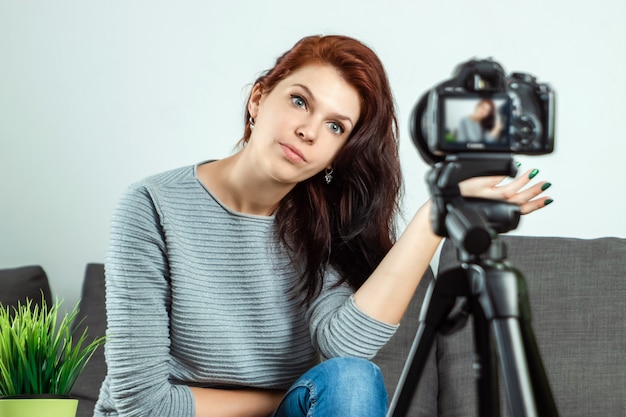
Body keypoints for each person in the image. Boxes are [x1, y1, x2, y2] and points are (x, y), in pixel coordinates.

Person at [94, 35, 552, 417]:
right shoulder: (152, 204)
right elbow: (142, 402)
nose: (309, 132)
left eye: (336, 127)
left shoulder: (321, 222)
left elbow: (343, 349)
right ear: (258, 98)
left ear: (340, 154)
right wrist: (286, 401)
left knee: (354, 379)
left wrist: (434, 218)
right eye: (299, 102)